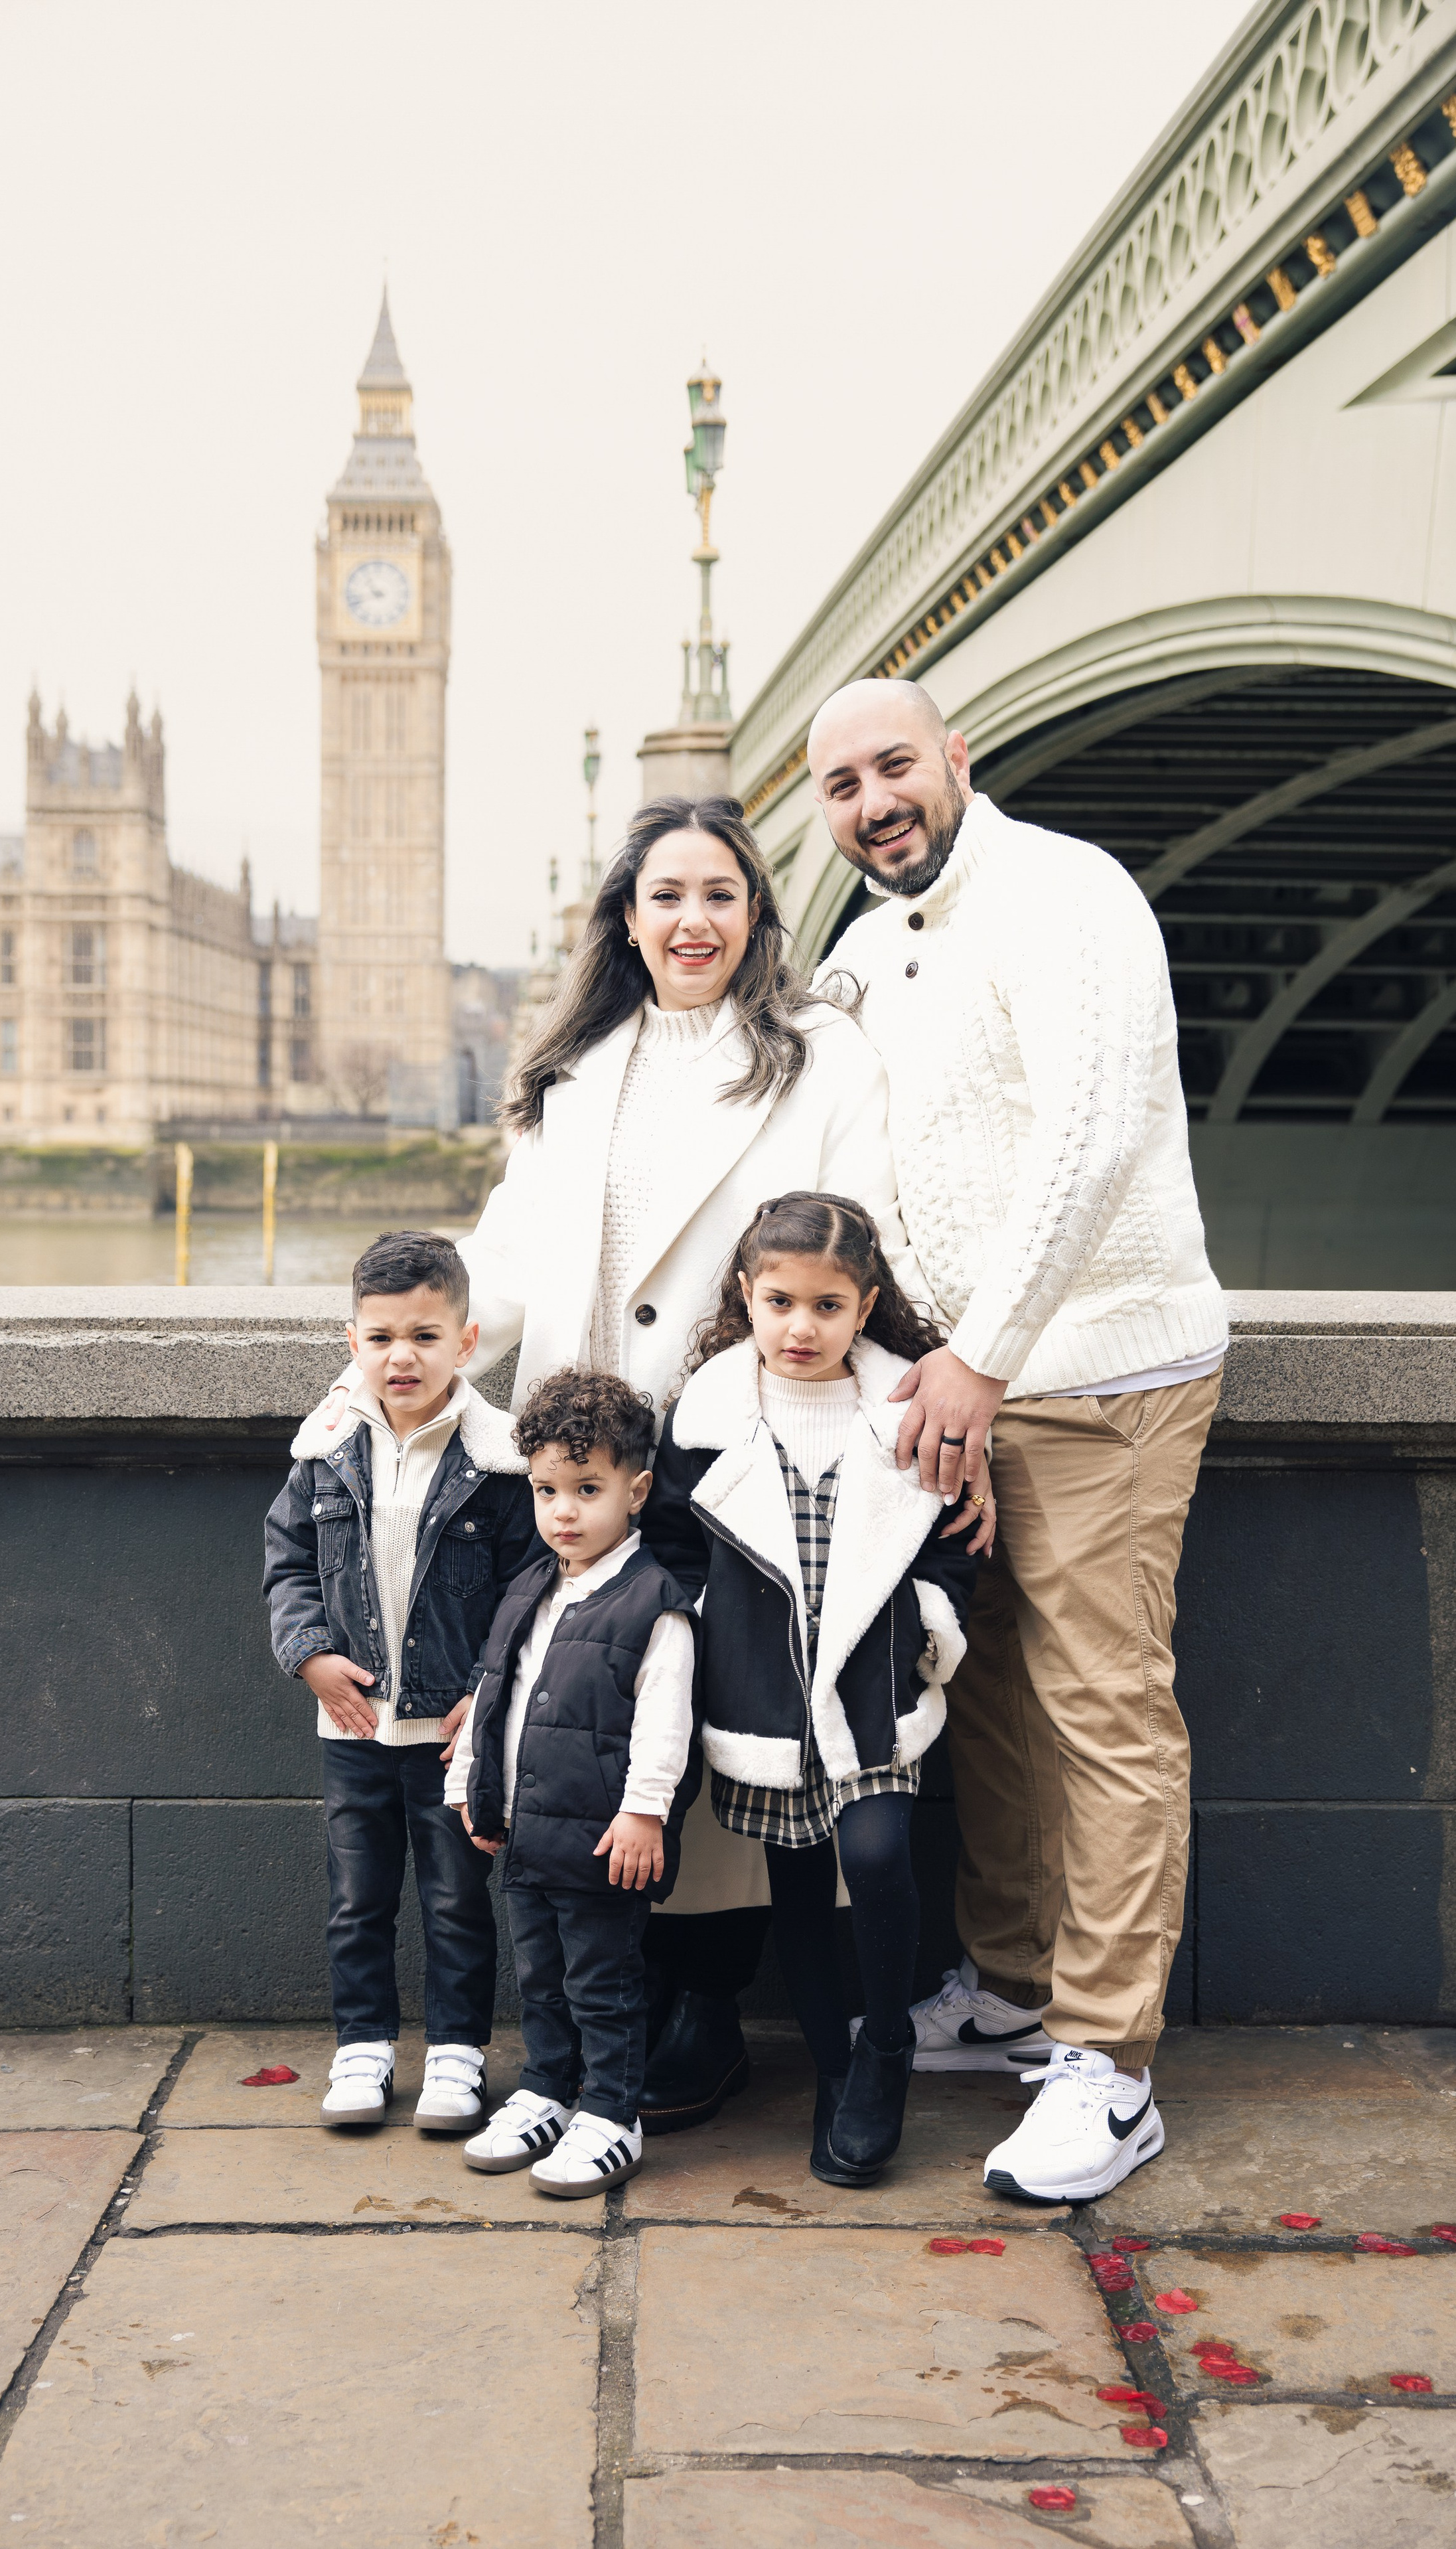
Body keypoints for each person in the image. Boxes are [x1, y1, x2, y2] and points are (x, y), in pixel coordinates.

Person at [306, 794, 926, 2132]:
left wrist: (929, 1397)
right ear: (626, 919)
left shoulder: (821, 1057)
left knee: (707, 1741)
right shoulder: (579, 1063)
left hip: (723, 1455)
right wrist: (379, 1387)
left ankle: (701, 2007)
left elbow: (863, 1252)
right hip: (574, 1469)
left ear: (756, 913)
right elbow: (505, 1269)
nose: (690, 919)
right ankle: (620, 2008)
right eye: (664, 896)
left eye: (717, 893)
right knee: (582, 1734)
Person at [807, 679, 1229, 2205]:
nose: (872, 800)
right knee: (975, 1695)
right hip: (962, 1386)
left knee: (1101, 1703)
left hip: (1105, 1369)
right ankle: (1009, 1989)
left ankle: (1107, 2068)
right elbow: (879, 1187)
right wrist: (933, 1368)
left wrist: (979, 1358)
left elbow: (1092, 1130)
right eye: (840, 783)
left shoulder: (1063, 890)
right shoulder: (859, 955)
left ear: (954, 758)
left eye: (893, 764)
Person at [645, 1193, 977, 2185]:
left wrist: (931, 1624)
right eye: (780, 1300)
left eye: (828, 1306)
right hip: (764, 1695)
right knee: (794, 1875)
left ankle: (885, 2055)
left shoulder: (910, 1410)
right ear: (746, 1295)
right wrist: (702, 1638)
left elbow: (958, 1545)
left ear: (865, 1304)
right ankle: (834, 2068)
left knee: (875, 1855)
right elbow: (670, 1548)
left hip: (874, 1685)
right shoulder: (702, 1418)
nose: (801, 1327)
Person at [262, 1229, 540, 2132]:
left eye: (424, 1335)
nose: (402, 1355)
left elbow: (527, 1588)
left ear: (466, 1342)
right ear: (354, 1343)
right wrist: (307, 1651)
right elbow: (289, 1561)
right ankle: (364, 2050)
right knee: (358, 1900)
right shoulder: (327, 1450)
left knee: (459, 1901)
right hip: (351, 1730)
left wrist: (490, 1687)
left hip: (451, 1731)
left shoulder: (501, 1459)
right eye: (381, 1337)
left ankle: (458, 2057)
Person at [445, 1369, 697, 2197]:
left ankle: (612, 2112)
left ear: (637, 1490)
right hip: (524, 1834)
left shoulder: (653, 1602)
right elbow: (495, 1697)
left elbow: (666, 1722)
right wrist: (474, 1787)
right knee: (541, 1979)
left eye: (587, 1489)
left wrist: (643, 1813)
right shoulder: (530, 1588)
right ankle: (547, 2090)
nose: (563, 1511)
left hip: (601, 1841)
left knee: (603, 1984)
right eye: (548, 1489)